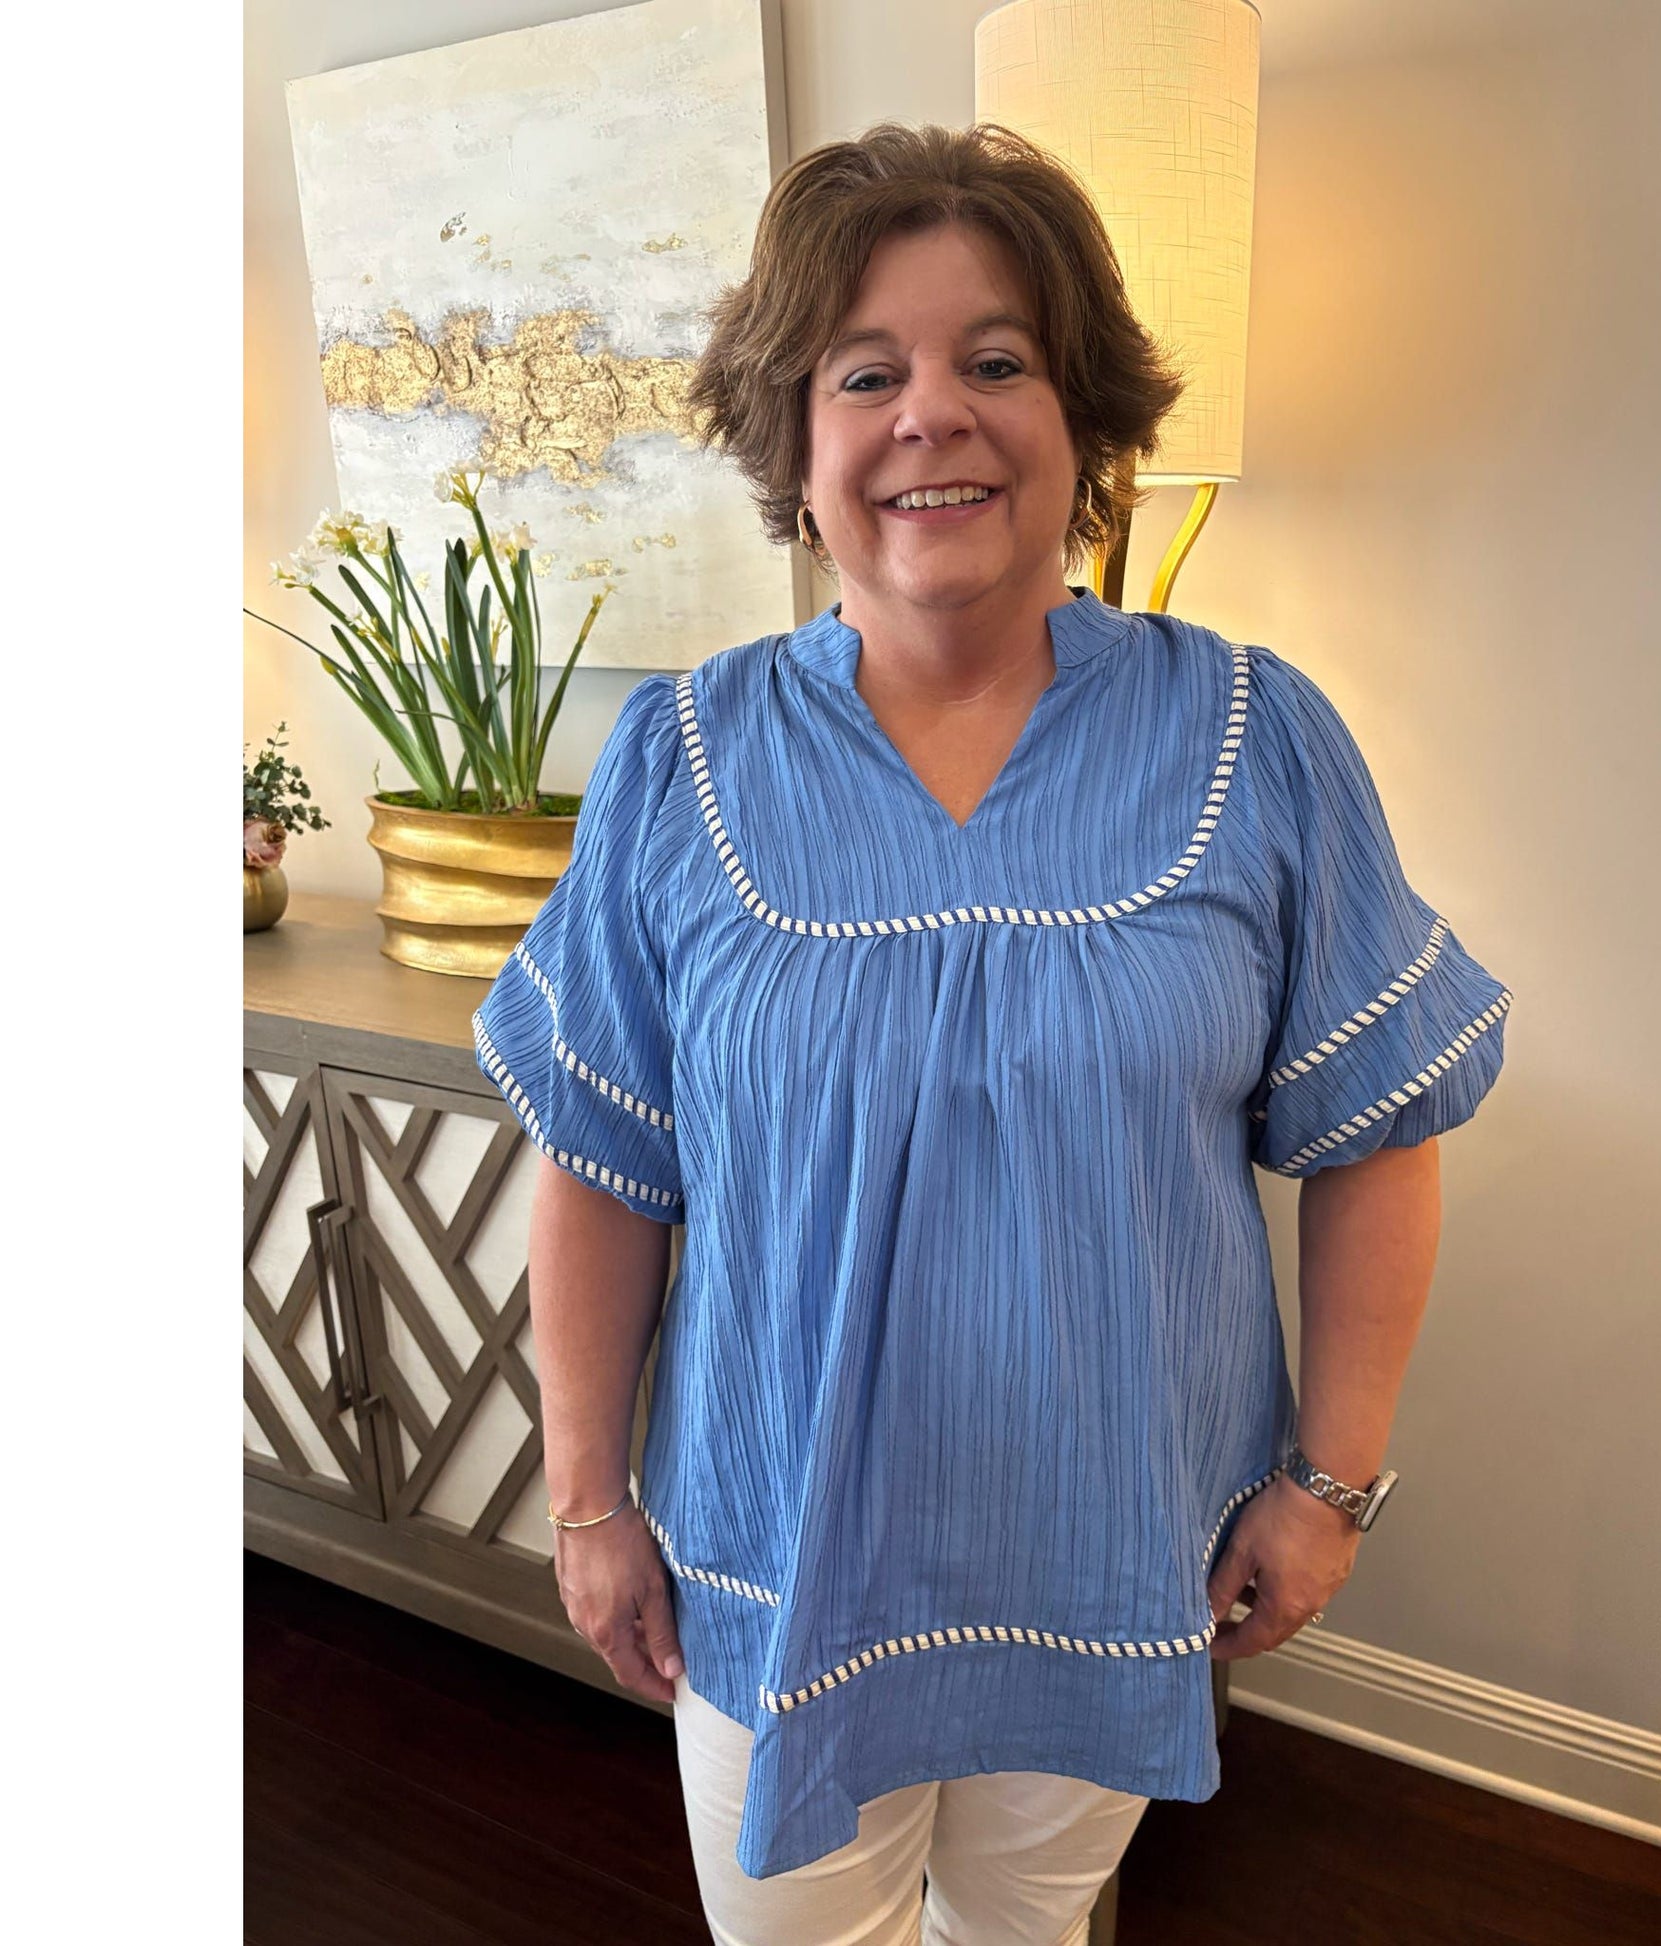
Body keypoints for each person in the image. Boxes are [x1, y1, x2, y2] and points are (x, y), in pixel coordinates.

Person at [472, 121, 1514, 1944]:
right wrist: (584, 1502)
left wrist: (1327, 1484)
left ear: (1083, 417)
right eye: (864, 371)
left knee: (1025, 1930)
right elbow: (603, 1158)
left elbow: (1376, 1125)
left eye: (997, 360)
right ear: (794, 445)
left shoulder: (1253, 736)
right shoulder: (680, 759)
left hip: (1118, 1557)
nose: (930, 414)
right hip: (768, 1569)